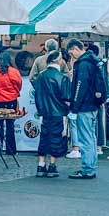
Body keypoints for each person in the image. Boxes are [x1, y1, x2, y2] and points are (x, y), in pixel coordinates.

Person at [66, 39, 103, 179]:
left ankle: (88, 169)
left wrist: (74, 108)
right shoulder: (94, 61)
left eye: (71, 53)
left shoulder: (82, 64)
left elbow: (80, 87)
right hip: (93, 105)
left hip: (84, 107)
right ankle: (91, 166)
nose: (71, 56)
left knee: (85, 139)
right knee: (91, 138)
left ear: (75, 48)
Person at [34, 50, 71, 178]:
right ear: (57, 61)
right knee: (56, 138)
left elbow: (37, 95)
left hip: (44, 113)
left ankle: (41, 164)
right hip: (58, 113)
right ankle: (52, 166)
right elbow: (66, 97)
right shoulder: (62, 78)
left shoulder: (40, 76)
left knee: (44, 138)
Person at [0, 51, 23, 156]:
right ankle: (11, 150)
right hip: (11, 101)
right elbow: (19, 85)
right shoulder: (14, 72)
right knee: (10, 125)